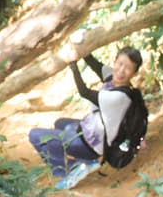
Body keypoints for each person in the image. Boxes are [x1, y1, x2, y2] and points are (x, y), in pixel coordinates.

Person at [28, 45, 144, 188]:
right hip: (90, 132)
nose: (121, 71)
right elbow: (94, 63)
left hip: (91, 145)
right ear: (114, 62)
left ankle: (69, 168)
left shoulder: (119, 97)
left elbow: (84, 92)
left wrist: (72, 64)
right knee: (60, 123)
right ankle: (82, 160)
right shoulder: (113, 79)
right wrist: (80, 47)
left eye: (128, 68)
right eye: (120, 64)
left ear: (134, 73)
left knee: (35, 135)